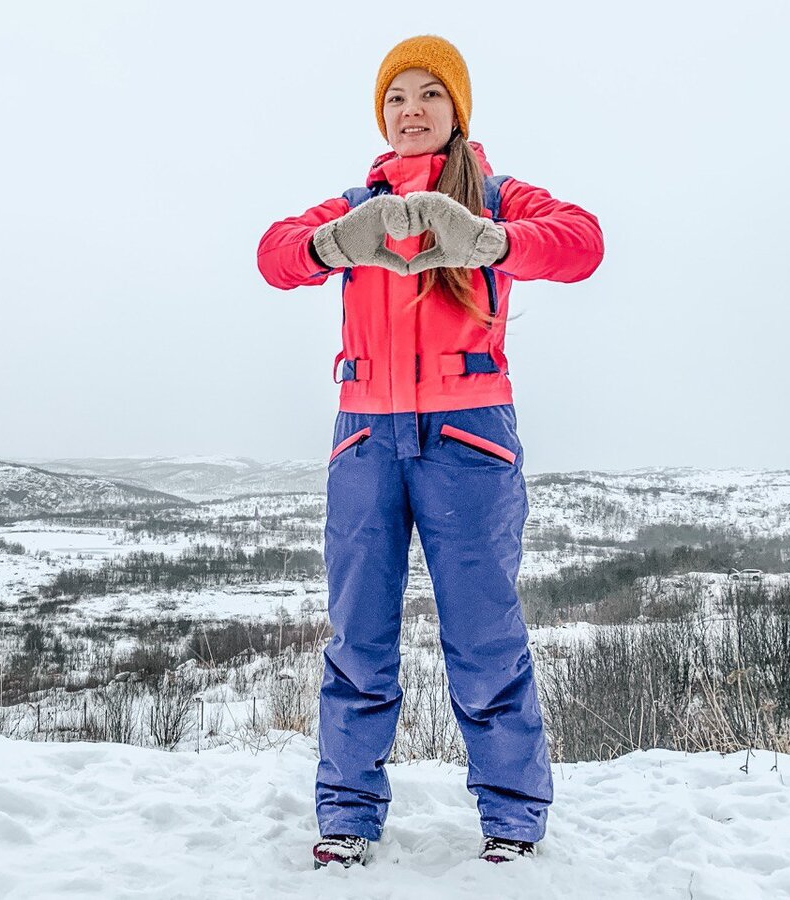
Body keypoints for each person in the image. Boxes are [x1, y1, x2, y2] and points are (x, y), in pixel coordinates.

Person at [256, 35, 604, 869]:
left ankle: (513, 817)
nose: (411, 111)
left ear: (457, 109)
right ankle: (346, 814)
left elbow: (582, 241)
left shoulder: (496, 194)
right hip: (366, 440)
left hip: (468, 436)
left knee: (484, 636)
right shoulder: (354, 203)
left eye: (429, 96)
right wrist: (334, 243)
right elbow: (273, 254)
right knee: (358, 639)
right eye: (397, 98)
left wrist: (489, 239)